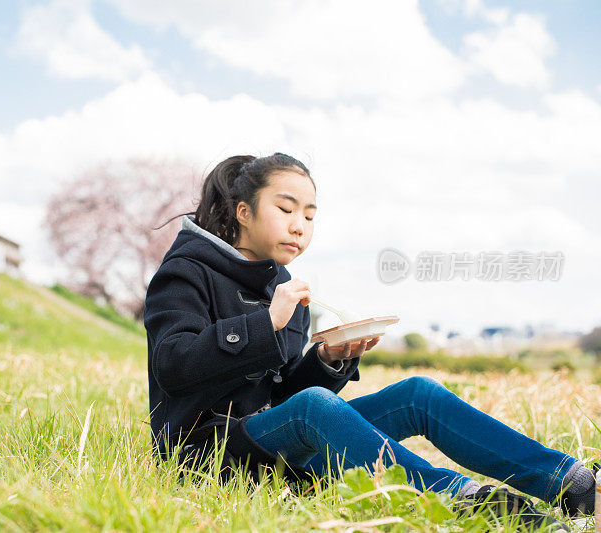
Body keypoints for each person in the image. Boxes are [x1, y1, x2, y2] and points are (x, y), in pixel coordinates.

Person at [143, 153, 597, 530]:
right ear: (244, 211)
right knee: (316, 407)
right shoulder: (187, 270)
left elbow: (281, 397)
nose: (300, 225)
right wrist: (266, 323)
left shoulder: (285, 288)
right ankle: (475, 505)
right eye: (286, 209)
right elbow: (173, 366)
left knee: (417, 394)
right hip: (207, 454)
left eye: (309, 214)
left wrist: (327, 361)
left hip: (275, 448)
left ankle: (573, 484)